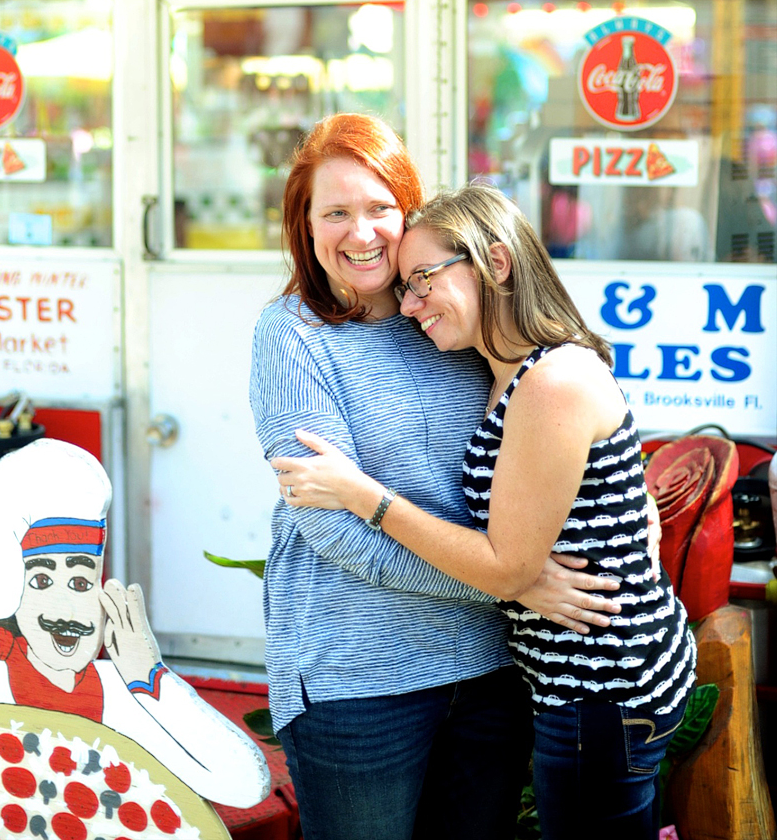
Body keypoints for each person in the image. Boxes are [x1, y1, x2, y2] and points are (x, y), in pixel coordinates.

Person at [274, 182, 697, 840]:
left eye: (421, 280)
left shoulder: (549, 379)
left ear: (496, 263)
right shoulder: (504, 369)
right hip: (578, 687)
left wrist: (364, 495)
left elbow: (505, 567)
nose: (408, 304)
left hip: (599, 694)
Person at [0, 438, 270, 809]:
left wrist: (149, 677)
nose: (66, 611)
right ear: (11, 593)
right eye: (41, 582)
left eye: (80, 583)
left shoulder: (128, 696)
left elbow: (245, 785)